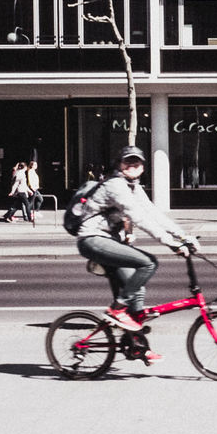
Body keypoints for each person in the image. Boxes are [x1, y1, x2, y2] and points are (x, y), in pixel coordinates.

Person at [74, 145, 197, 366]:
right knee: (148, 263)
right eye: (127, 161)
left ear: (142, 168)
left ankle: (138, 347)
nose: (132, 166)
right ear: (119, 165)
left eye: (137, 163)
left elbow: (154, 213)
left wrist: (183, 236)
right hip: (92, 239)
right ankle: (117, 310)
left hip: (110, 241)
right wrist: (171, 244)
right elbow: (139, 218)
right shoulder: (116, 186)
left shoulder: (134, 187)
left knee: (136, 290)